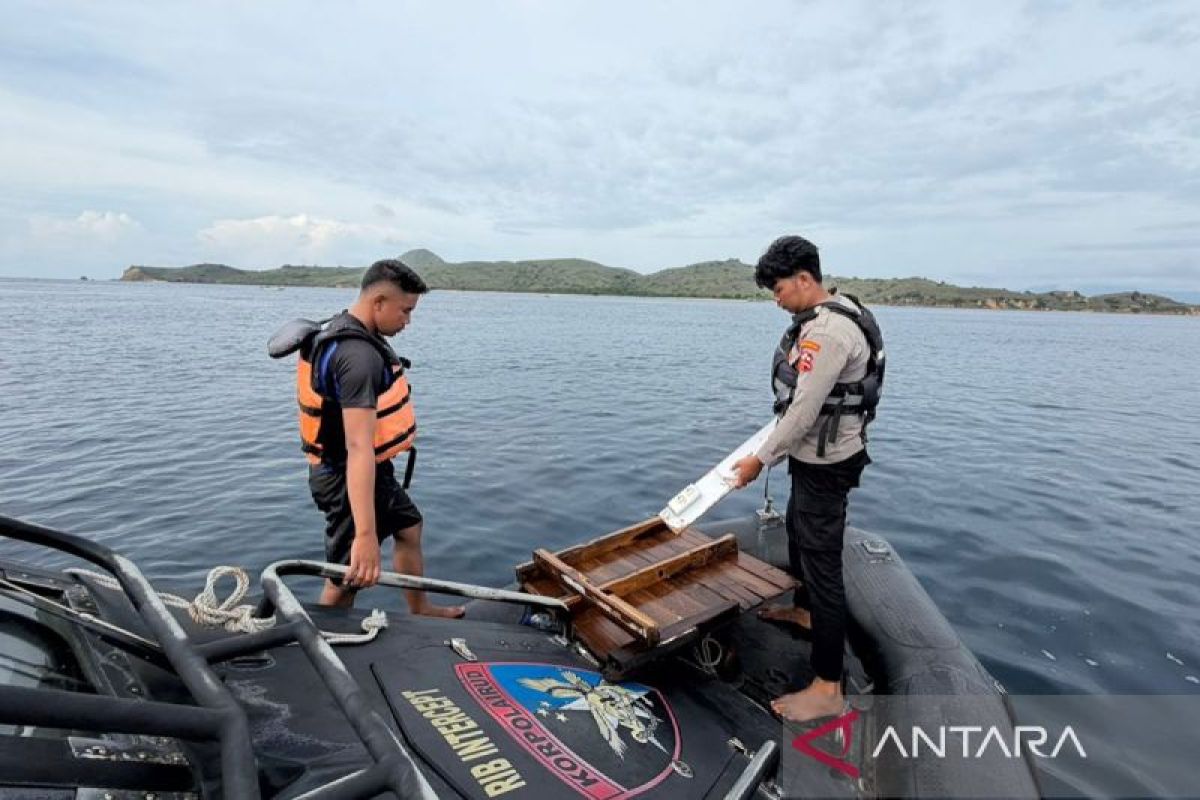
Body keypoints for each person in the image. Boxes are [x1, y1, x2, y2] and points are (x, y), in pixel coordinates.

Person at [730, 235, 884, 722]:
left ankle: (827, 687)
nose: (775, 299)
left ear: (804, 279)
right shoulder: (834, 313)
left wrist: (760, 459)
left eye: (778, 288)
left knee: (823, 565)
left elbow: (803, 411)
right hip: (815, 457)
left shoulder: (829, 334)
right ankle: (806, 610)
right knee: (798, 530)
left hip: (828, 464)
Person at [293, 259, 464, 617]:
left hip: (366, 470)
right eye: (405, 310)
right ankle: (319, 640)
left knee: (409, 526)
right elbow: (358, 448)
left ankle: (420, 608)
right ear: (379, 302)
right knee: (348, 576)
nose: (408, 321)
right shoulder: (358, 358)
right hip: (345, 475)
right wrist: (367, 535)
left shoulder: (345, 328)